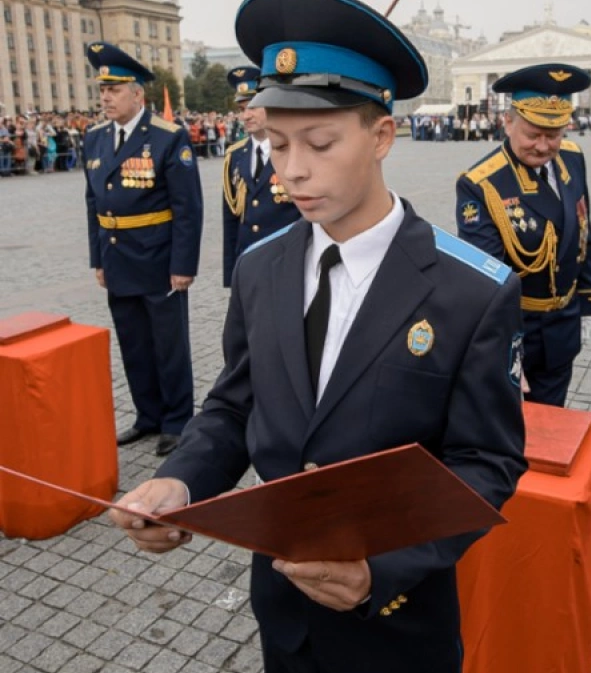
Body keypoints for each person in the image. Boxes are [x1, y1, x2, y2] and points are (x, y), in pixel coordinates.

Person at [108, 0, 527, 670]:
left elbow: (488, 463)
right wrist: (182, 481)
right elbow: (235, 404)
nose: (290, 171)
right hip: (284, 617)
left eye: (320, 143)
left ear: (383, 135)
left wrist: (383, 568)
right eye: (277, 144)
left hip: (398, 626)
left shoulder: (471, 291)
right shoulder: (259, 267)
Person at [455, 64, 591, 407]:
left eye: (554, 134)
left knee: (552, 428)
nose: (543, 145)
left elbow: (583, 231)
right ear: (507, 122)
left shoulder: (573, 158)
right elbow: (486, 278)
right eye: (533, 133)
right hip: (517, 330)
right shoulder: (481, 183)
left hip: (562, 328)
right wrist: (505, 349)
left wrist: (587, 305)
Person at [82, 42, 202, 457]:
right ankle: (148, 416)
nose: (105, 98)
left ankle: (177, 419)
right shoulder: (94, 138)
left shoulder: (168, 137)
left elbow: (188, 208)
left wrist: (183, 265)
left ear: (138, 94)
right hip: (117, 258)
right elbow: (92, 203)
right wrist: (98, 258)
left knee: (168, 344)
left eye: (114, 90)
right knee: (133, 342)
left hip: (158, 258)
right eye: (102, 91)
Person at [221, 66, 301, 288]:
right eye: (242, 108)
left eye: (254, 107)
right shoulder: (234, 155)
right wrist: (231, 275)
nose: (246, 115)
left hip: (287, 259)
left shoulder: (294, 148)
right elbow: (230, 220)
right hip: (248, 261)